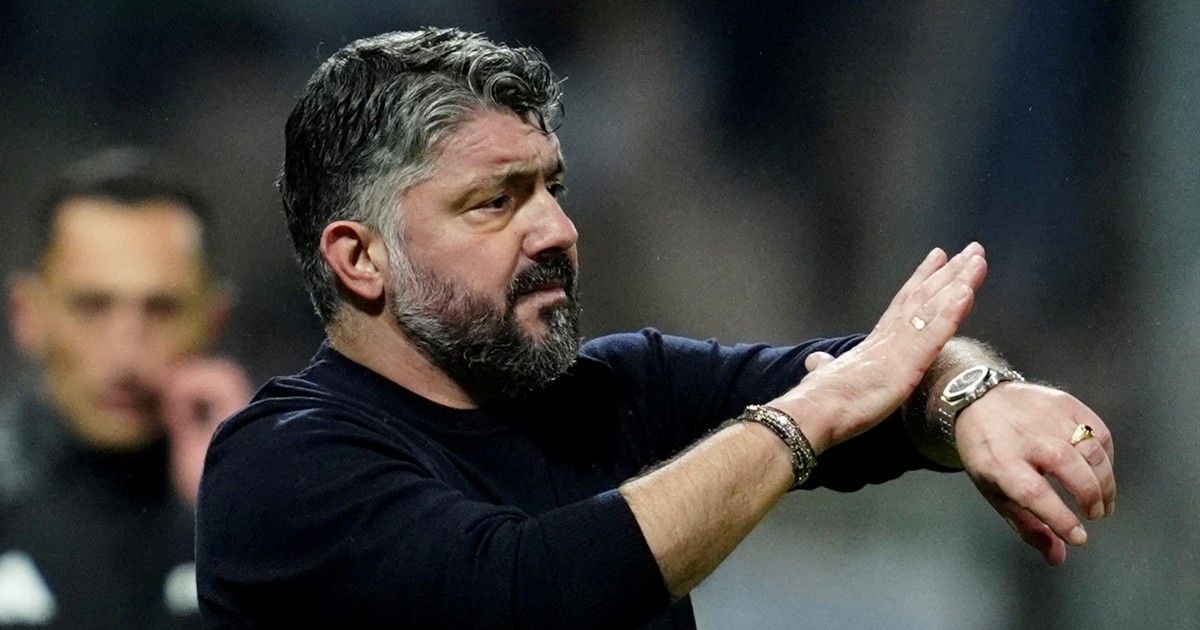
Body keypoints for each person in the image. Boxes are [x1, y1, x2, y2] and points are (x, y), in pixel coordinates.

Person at [195, 28, 1116, 629]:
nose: (556, 229)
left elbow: (875, 376)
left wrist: (973, 395)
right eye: (496, 202)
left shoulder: (618, 391)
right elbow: (526, 596)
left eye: (552, 188)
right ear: (360, 258)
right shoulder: (281, 466)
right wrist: (803, 421)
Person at [0, 148, 252, 628]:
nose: (125, 356)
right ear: (27, 314)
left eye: (161, 309)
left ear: (214, 320)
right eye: (92, 306)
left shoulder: (283, 518)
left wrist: (241, 514)